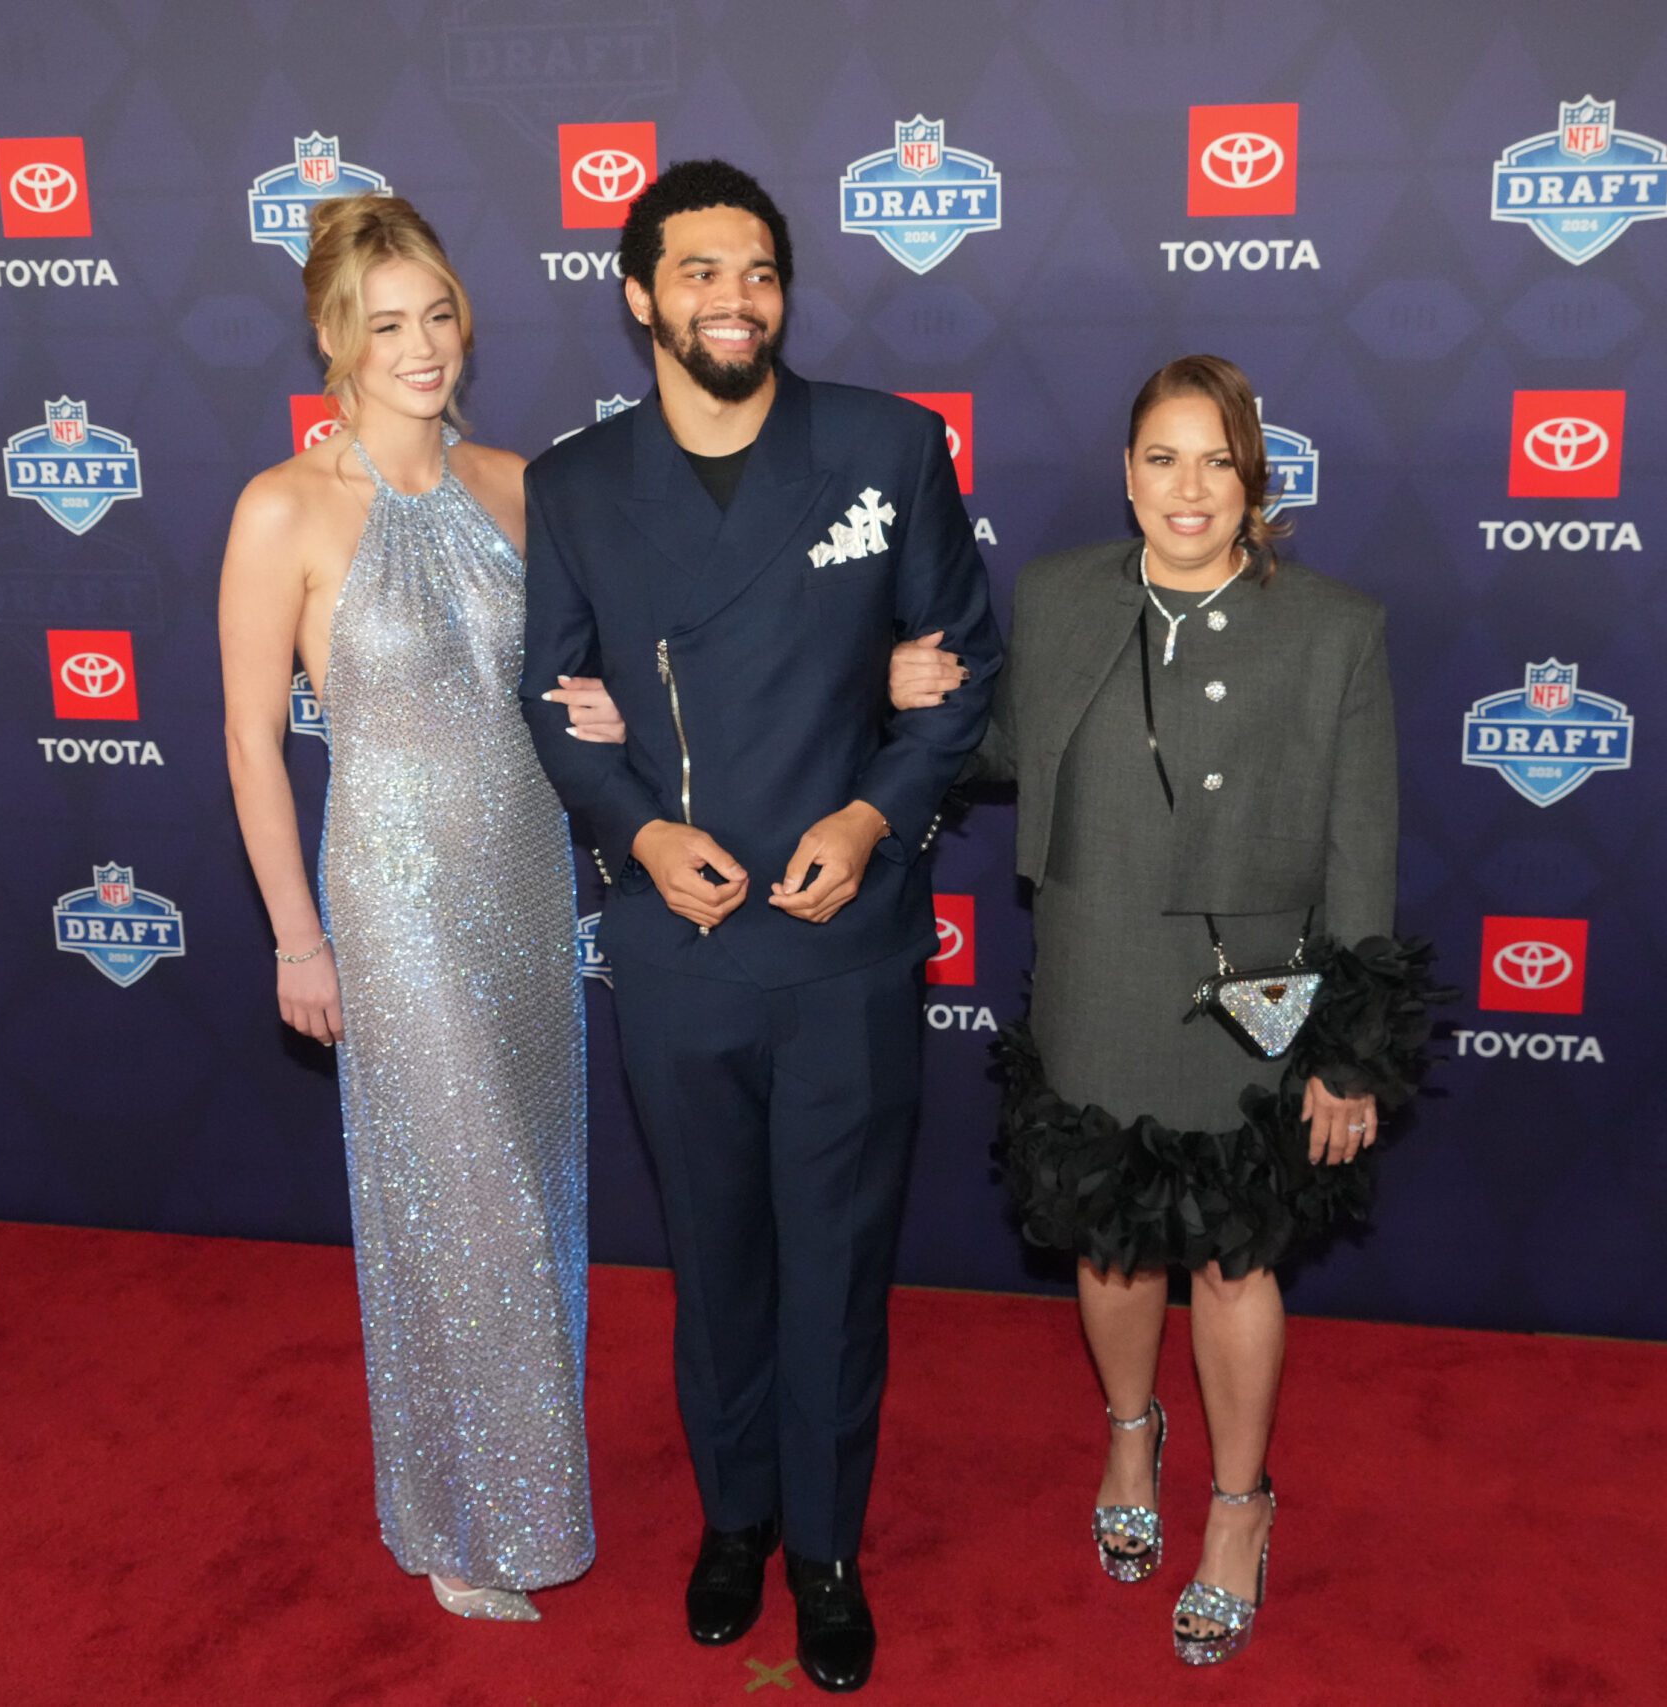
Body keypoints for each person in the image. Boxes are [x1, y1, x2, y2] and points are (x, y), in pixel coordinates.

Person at [516, 159, 1001, 1693]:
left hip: (846, 943)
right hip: (676, 946)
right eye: (701, 273)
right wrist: (640, 832)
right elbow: (555, 701)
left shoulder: (887, 446)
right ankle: (735, 1525)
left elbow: (964, 668)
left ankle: (825, 1549)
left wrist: (869, 819)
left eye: (760, 272)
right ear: (640, 296)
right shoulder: (576, 486)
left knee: (837, 1263)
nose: (736, 300)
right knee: (716, 1258)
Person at [892, 354, 1439, 1666]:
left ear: (1255, 476)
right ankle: (1132, 1439)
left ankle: (1241, 1508)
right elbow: (1011, 752)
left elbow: (1362, 857)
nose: (1186, 489)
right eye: (1160, 459)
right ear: (1125, 471)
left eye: (1215, 460)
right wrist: (917, 699)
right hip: (1094, 974)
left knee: (1236, 1257)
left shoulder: (1335, 628)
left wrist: (1352, 1055)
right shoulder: (1062, 593)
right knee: (1111, 1241)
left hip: (1253, 1002)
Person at [217, 192, 605, 1623]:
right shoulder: (284, 506)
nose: (422, 343)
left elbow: (570, 686)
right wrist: (295, 937)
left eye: (437, 311)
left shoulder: (519, 487)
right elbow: (255, 741)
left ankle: (513, 1489)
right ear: (336, 338)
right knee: (459, 1210)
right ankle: (463, 1514)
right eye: (387, 323)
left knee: (537, 1200)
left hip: (525, 877)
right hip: (392, 894)